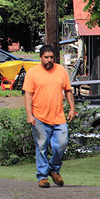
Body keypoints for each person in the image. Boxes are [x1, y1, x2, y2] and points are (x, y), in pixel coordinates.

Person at [22, 44, 75, 188]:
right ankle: (42, 176)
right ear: (41, 58)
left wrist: (72, 109)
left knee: (61, 145)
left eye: (51, 57)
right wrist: (29, 115)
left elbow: (68, 90)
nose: (49, 60)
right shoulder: (33, 73)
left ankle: (54, 169)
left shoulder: (61, 71)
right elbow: (28, 95)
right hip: (39, 117)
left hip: (59, 117)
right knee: (41, 147)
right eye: (46, 57)